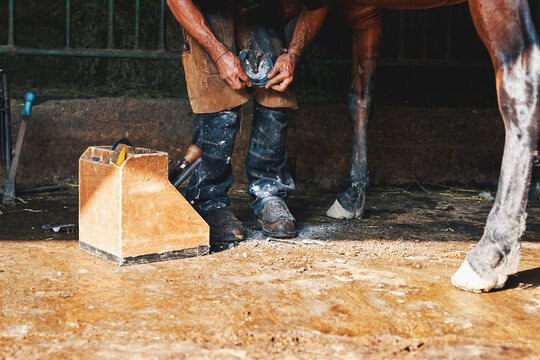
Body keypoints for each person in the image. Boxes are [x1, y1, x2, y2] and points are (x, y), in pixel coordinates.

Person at [167, 0, 329, 246]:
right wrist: (219, 53)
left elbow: (318, 5)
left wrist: (293, 55)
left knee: (275, 84)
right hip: (207, 8)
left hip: (262, 8)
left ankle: (270, 192)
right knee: (218, 92)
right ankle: (208, 199)